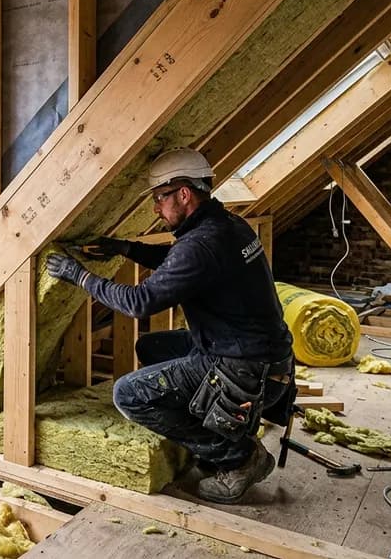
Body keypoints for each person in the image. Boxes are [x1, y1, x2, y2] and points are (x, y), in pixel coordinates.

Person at [47, 147, 294, 503]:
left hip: (246, 373)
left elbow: (139, 303)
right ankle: (212, 424)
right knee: (151, 347)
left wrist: (79, 276)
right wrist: (125, 248)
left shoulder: (200, 244)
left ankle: (239, 456)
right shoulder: (227, 226)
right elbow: (180, 260)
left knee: (128, 394)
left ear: (183, 193)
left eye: (160, 198)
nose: (154, 208)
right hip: (264, 359)